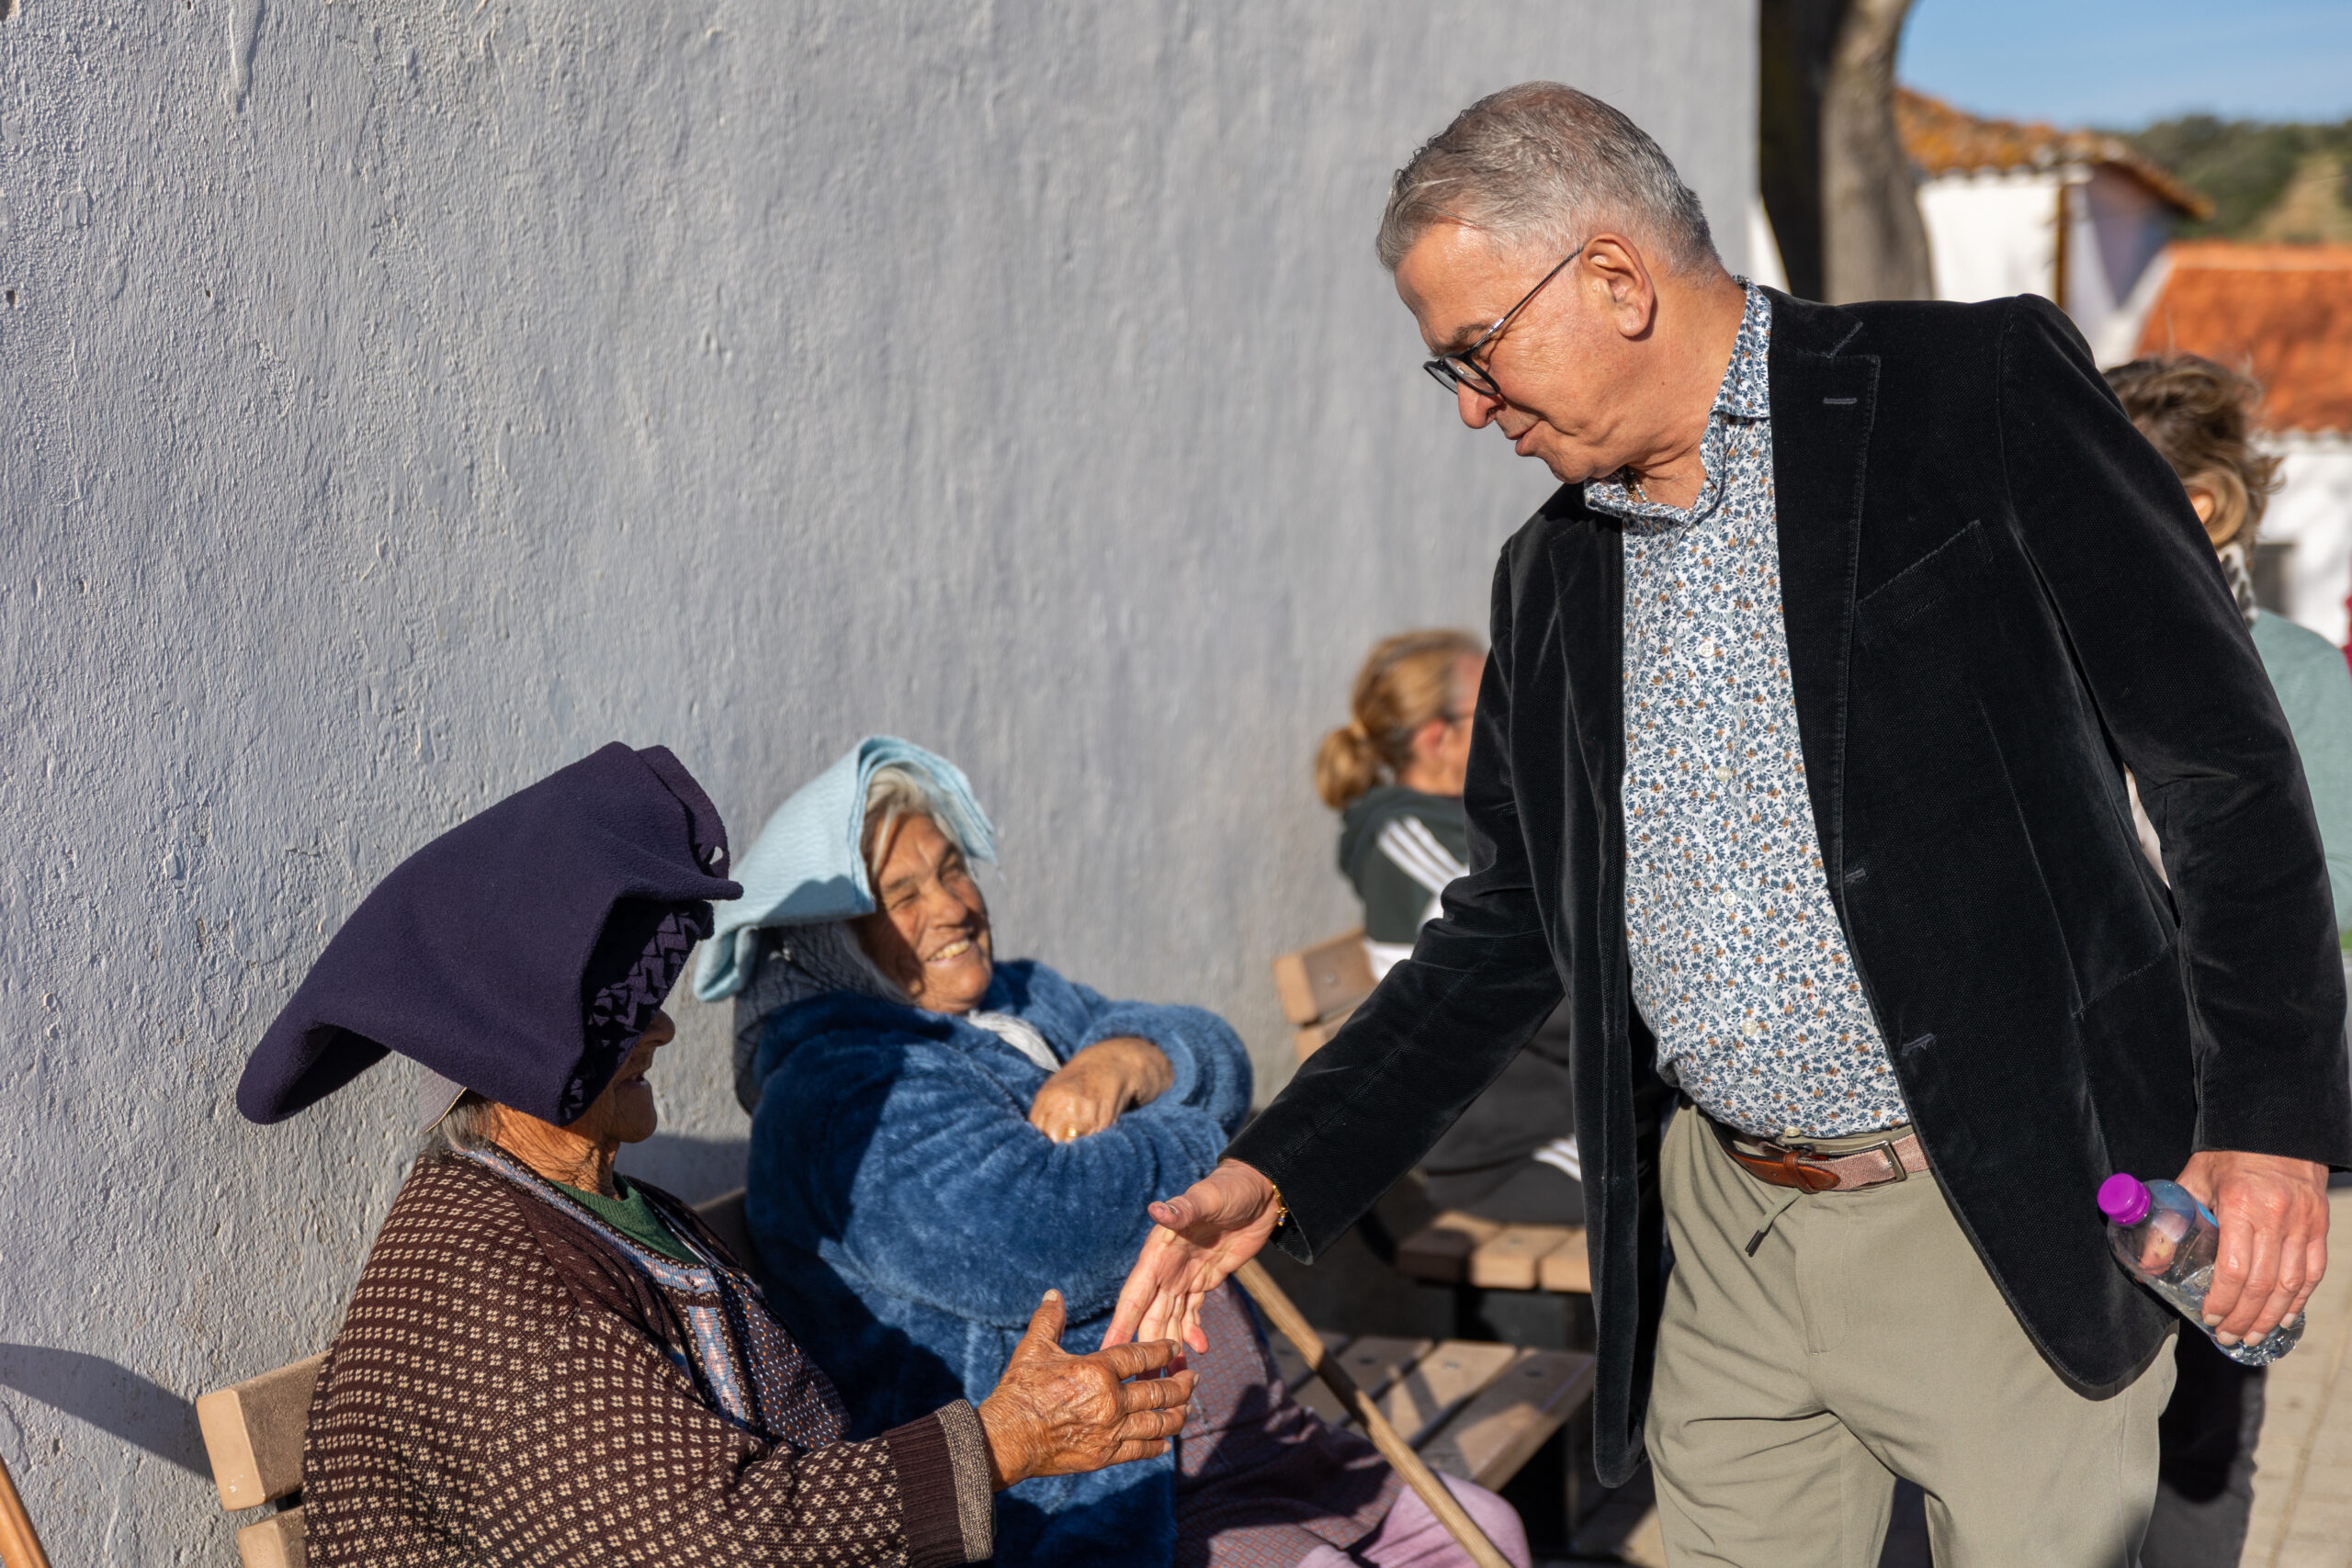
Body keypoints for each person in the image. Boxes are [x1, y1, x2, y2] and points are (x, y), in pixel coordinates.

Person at [1112, 82, 2352, 1567]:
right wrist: (1277, 1164)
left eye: (1474, 353)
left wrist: (2270, 1120)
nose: (1465, 406)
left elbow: (2221, 757)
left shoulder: (1972, 393)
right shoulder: (1548, 579)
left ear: (1616, 281)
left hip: (1993, 1213)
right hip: (1728, 1232)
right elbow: (1507, 927)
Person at [235, 742, 1196, 1566]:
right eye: (621, 1016)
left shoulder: (610, 1213)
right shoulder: (479, 1287)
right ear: (519, 1055)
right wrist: (1000, 1443)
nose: (658, 1031)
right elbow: (713, 1542)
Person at [692, 737, 1530, 1568]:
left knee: (1489, 1526)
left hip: (1243, 1446)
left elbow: (1213, 1045)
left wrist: (1123, 1058)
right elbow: (1049, 1235)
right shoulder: (841, 1091)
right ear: (827, 941)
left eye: (952, 869)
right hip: (1101, 1499)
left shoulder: (1018, 997)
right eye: (901, 894)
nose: (950, 905)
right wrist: (1223, 1147)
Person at [2106, 354, 2352, 1568]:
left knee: (2205, 1416)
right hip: (2078, 1095)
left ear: (2204, 505)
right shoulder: (2049, 654)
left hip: (2220, 1102)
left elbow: (2337, 887)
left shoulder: (2294, 671)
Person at [1318, 629, 1581, 1223]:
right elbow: (1526, 962)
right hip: (1496, 1150)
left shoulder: (1482, 818)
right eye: (1497, 705)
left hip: (1552, 1104)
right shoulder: (1406, 840)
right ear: (1439, 738)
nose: (1519, 717)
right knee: (1691, 1201)